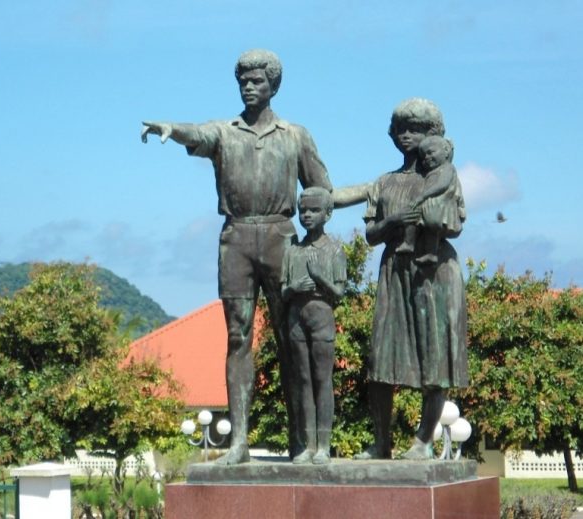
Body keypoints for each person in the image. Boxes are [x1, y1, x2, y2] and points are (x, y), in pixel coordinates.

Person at [142, 49, 333, 464]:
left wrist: (316, 247)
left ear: (273, 86)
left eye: (257, 81)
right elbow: (197, 133)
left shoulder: (296, 136)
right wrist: (171, 128)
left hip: (282, 237)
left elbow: (320, 190)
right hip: (237, 237)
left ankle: (303, 441)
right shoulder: (225, 133)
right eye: (243, 81)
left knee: (292, 340)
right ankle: (239, 442)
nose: (249, 86)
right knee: (236, 337)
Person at [356, 98, 468, 460]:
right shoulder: (385, 182)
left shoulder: (445, 175)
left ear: (433, 134)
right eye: (401, 128)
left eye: (416, 129)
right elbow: (371, 234)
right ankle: (381, 441)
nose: (407, 135)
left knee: (435, 359)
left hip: (434, 273)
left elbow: (455, 224)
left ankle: (422, 441)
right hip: (395, 272)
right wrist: (393, 221)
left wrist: (428, 219)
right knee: (382, 360)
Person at [281, 187, 346, 465]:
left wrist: (320, 277)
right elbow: (283, 290)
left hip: (321, 314)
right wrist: (293, 287)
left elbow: (340, 293)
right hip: (296, 316)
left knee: (322, 380)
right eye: (303, 210)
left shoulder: (334, 250)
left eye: (313, 210)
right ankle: (308, 445)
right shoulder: (293, 251)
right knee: (303, 380)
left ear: (327, 214)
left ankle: (323, 445)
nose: (306, 215)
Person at [398, 135, 462, 265]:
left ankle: (429, 252)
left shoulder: (447, 168)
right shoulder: (431, 172)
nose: (427, 158)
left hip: (440, 206)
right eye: (424, 156)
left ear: (445, 151)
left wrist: (423, 196)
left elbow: (442, 185)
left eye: (430, 153)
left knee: (431, 227)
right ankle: (410, 243)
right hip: (430, 205)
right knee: (414, 216)